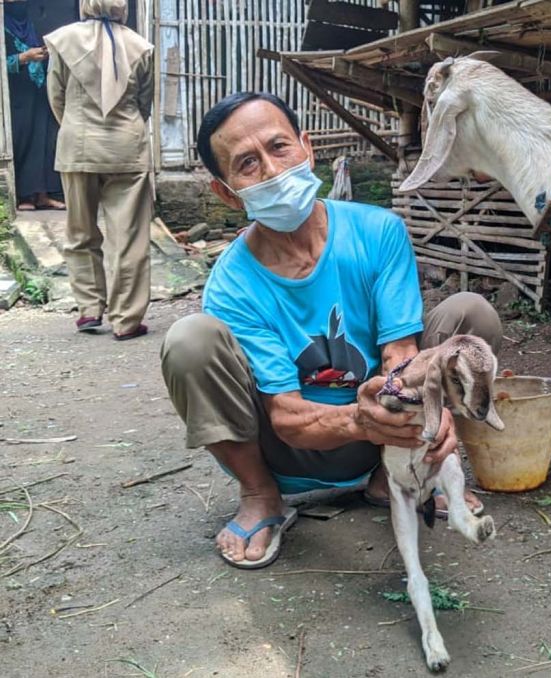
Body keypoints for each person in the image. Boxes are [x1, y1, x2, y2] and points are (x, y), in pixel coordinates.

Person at [160, 92, 501, 569]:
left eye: (279, 148)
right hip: (294, 449)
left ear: (307, 147)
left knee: (470, 318)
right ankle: (261, 495)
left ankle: (399, 477)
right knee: (190, 341)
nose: (274, 171)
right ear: (226, 192)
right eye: (247, 164)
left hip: (378, 430)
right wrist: (359, 421)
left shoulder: (378, 230)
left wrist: (413, 408)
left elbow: (399, 353)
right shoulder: (233, 284)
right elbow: (285, 417)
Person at [43, 0, 154, 338]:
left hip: (78, 144)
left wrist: (76, 128)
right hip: (127, 149)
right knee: (130, 237)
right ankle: (126, 320)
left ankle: (90, 310)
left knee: (80, 232)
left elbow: (56, 96)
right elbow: (144, 103)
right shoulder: (141, 46)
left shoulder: (62, 40)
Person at [4, 0, 64, 211]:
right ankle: (24, 196)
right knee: (23, 139)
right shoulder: (2, 24)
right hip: (15, 95)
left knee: (43, 140)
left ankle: (42, 194)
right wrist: (23, 57)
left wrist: (43, 54)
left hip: (37, 90)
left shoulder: (28, 23)